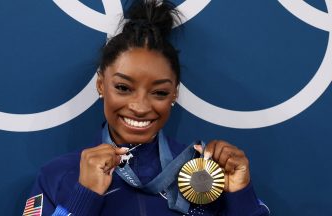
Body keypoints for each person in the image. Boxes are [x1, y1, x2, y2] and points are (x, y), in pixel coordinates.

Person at [24, 0, 270, 215]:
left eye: (159, 92)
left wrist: (241, 196)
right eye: (123, 87)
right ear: (101, 84)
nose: (140, 107)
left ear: (174, 93)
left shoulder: (207, 173)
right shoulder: (58, 175)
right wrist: (83, 197)